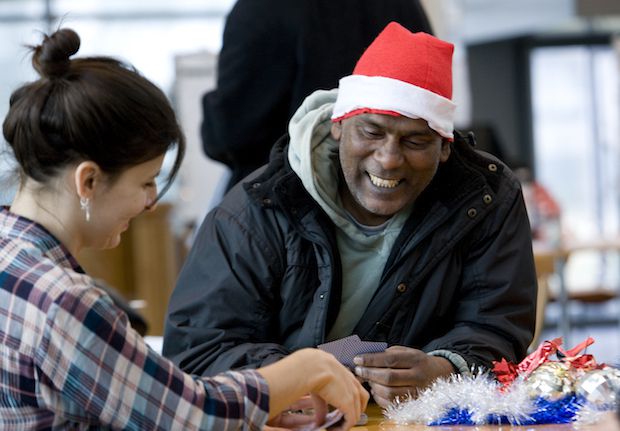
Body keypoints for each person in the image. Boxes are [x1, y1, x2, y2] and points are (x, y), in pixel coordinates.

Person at [0, 28, 368, 430]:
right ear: (87, 181)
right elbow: (193, 416)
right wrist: (303, 368)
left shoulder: (12, 257)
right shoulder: (64, 303)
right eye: (145, 182)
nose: (151, 201)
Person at [164, 22, 538, 408]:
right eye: (371, 132)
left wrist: (445, 369)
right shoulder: (255, 210)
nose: (389, 159)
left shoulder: (486, 197)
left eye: (415, 141)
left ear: (445, 147)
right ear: (338, 126)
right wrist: (298, 377)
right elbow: (196, 352)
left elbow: (498, 325)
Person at [201, 0, 433, 191]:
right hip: (398, 204)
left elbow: (231, 135)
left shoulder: (262, 9)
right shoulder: (405, 6)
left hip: (284, 206)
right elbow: (429, 107)